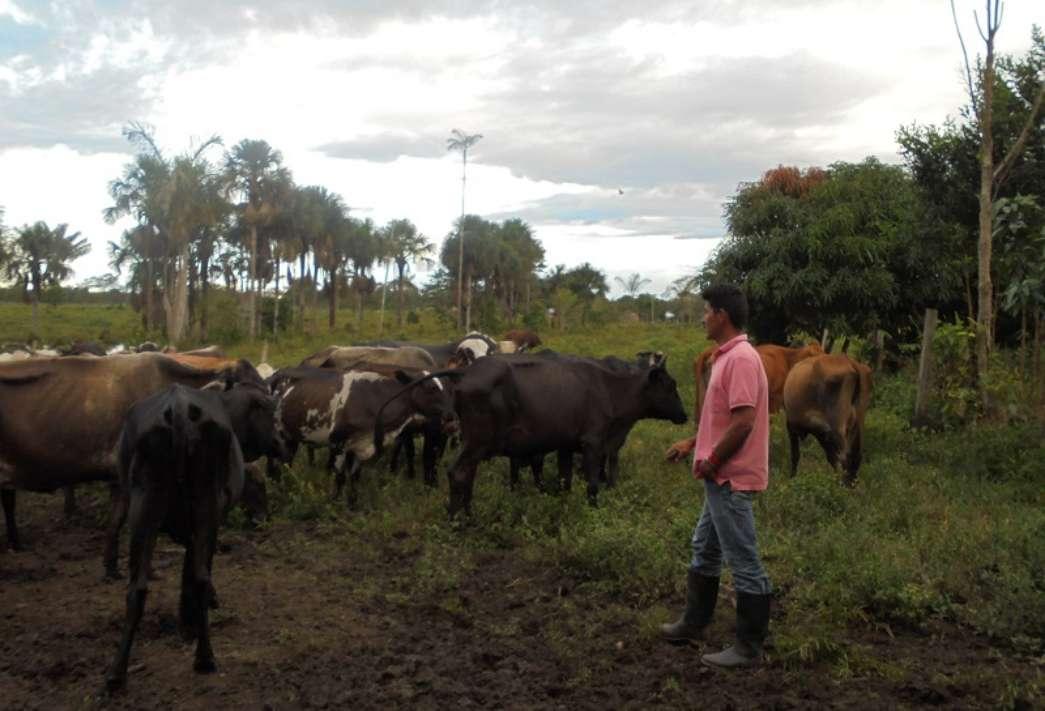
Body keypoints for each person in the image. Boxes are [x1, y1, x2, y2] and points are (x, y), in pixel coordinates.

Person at [662, 283, 772, 668]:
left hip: (729, 477)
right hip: (719, 475)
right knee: (705, 548)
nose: (703, 317)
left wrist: (711, 463)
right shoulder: (726, 357)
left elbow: (743, 423)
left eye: (707, 311)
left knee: (743, 560)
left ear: (722, 316)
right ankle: (694, 622)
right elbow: (723, 420)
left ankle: (748, 647)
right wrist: (694, 444)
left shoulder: (740, 359)